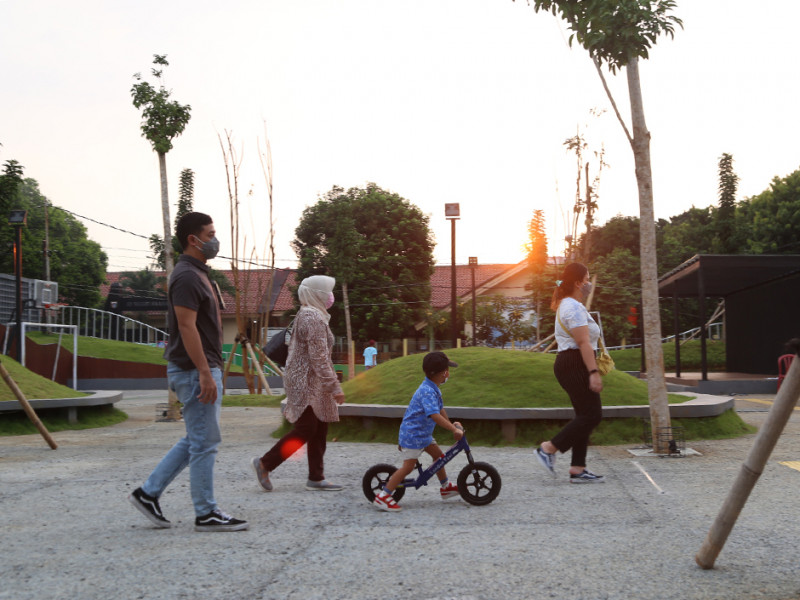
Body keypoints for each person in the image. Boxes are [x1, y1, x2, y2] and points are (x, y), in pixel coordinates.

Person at [128, 212, 249, 532]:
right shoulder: (186, 276)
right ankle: (206, 512)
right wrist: (205, 373)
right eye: (210, 234)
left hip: (199, 369)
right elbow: (186, 326)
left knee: (198, 438)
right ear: (193, 240)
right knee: (205, 442)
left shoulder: (197, 273)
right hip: (195, 371)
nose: (215, 240)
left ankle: (148, 493)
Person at [251, 275, 345, 492]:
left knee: (319, 425)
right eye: (326, 292)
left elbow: (320, 357)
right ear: (316, 294)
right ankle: (265, 463)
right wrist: (334, 386)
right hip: (305, 381)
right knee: (306, 428)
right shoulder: (312, 318)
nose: (330, 296)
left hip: (312, 379)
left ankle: (316, 477)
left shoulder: (312, 314)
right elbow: (319, 358)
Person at [534, 262, 605, 484]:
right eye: (587, 279)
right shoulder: (572, 307)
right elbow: (583, 342)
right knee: (592, 415)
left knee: (584, 414)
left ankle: (578, 468)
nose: (589, 284)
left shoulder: (570, 305)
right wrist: (593, 371)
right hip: (574, 362)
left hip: (571, 362)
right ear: (577, 282)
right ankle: (548, 448)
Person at [373, 351, 464, 511]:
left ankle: (445, 488)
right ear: (440, 373)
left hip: (423, 435)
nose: (448, 373)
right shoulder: (427, 391)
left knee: (439, 457)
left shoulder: (433, 388)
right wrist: (453, 429)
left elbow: (440, 409)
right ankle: (384, 496)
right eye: (446, 370)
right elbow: (434, 415)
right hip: (413, 435)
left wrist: (452, 426)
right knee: (408, 467)